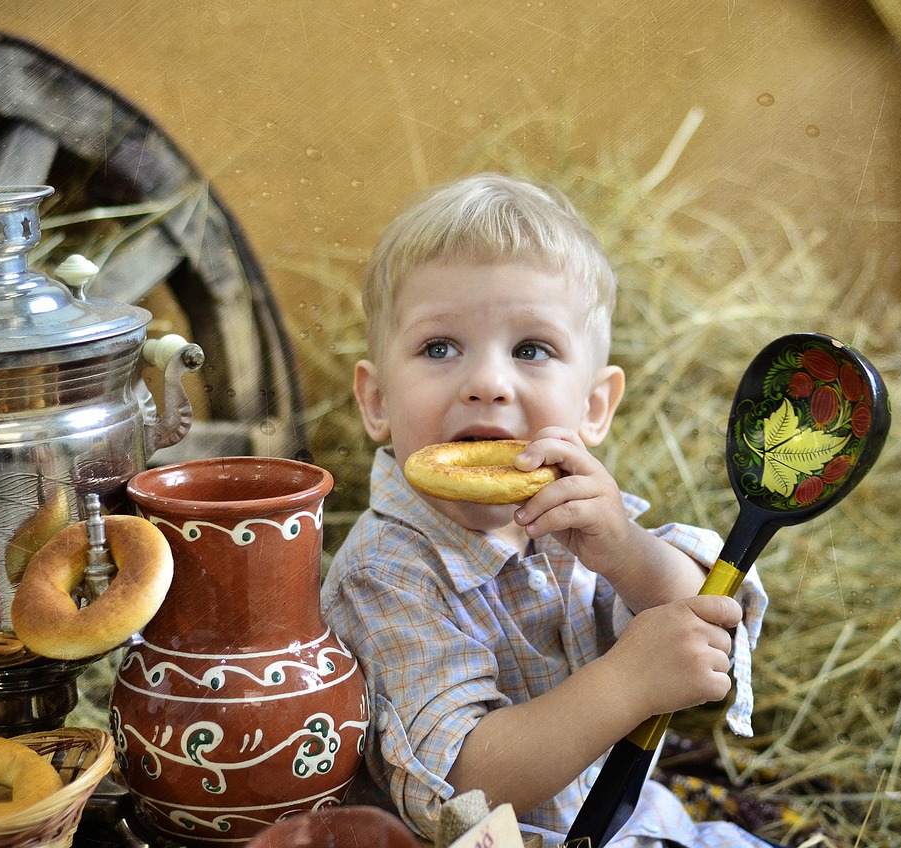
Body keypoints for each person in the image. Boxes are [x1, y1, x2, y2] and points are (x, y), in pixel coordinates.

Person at [320, 173, 770, 848]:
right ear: (377, 400)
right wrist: (627, 683)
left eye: (531, 350)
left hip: (633, 823)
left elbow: (713, 618)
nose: (487, 383)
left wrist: (630, 554)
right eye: (439, 348)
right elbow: (462, 787)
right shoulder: (384, 574)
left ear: (594, 406)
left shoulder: (582, 520)